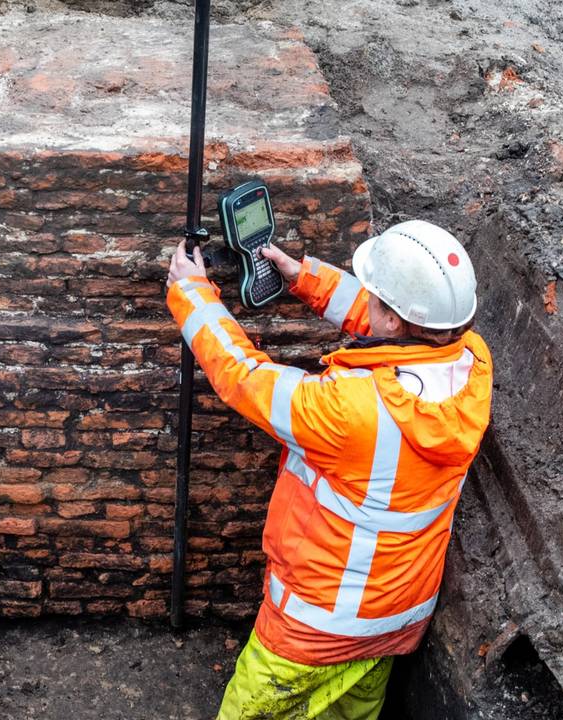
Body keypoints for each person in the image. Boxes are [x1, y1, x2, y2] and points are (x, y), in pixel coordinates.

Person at [164, 220, 493, 720]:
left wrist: (193, 294)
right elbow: (391, 324)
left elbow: (245, 377)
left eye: (376, 297)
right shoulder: (473, 361)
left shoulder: (349, 409)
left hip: (316, 630)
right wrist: (302, 276)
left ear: (393, 318)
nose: (369, 304)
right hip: (397, 618)